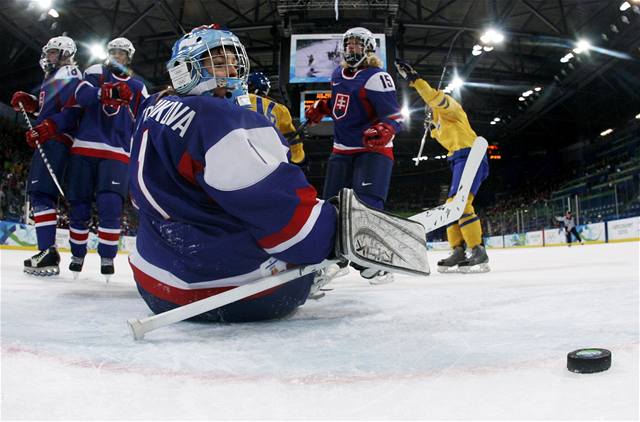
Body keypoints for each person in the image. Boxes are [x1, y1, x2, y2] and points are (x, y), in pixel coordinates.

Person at [127, 25, 338, 322]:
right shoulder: (218, 118)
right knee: (304, 245)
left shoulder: (153, 105)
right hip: (221, 293)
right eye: (218, 61)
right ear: (184, 70)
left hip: (152, 282)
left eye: (234, 60)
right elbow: (291, 226)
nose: (232, 69)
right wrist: (332, 228)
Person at [304, 26, 403, 283]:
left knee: (367, 204)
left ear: (369, 48)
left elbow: (394, 116)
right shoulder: (338, 73)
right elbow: (340, 100)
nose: (351, 49)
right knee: (330, 206)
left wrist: (384, 128)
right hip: (342, 148)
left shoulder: (377, 77)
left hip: (372, 150)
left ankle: (373, 261)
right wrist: (321, 108)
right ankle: (330, 260)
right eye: (348, 45)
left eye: (357, 44)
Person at [395, 59, 490, 273]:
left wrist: (415, 80)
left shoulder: (451, 107)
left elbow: (432, 97)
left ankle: (477, 249)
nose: (428, 109)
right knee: (452, 207)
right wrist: (434, 124)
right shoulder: (437, 127)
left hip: (470, 154)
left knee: (461, 204)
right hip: (458, 159)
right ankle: (458, 250)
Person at [66, 37, 148, 278]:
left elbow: (144, 120)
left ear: (128, 57)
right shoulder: (95, 72)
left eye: (121, 53)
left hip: (118, 153)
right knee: (79, 203)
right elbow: (80, 96)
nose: (117, 56)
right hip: (84, 147)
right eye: (113, 52)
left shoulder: (137, 86)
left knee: (110, 206)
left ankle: (107, 258)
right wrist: (106, 91)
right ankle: (77, 254)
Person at [10, 36, 82, 276]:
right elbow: (49, 109)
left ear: (65, 53)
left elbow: (73, 111)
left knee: (41, 193)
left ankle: (47, 251)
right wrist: (30, 104)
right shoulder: (53, 78)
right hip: (52, 138)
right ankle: (46, 250)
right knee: (39, 193)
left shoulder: (69, 74)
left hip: (57, 140)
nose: (48, 56)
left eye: (53, 52)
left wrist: (49, 127)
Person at [246, 71, 307, 168]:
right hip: (270, 161)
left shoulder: (235, 99)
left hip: (241, 156)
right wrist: (299, 157)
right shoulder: (280, 109)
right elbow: (292, 141)